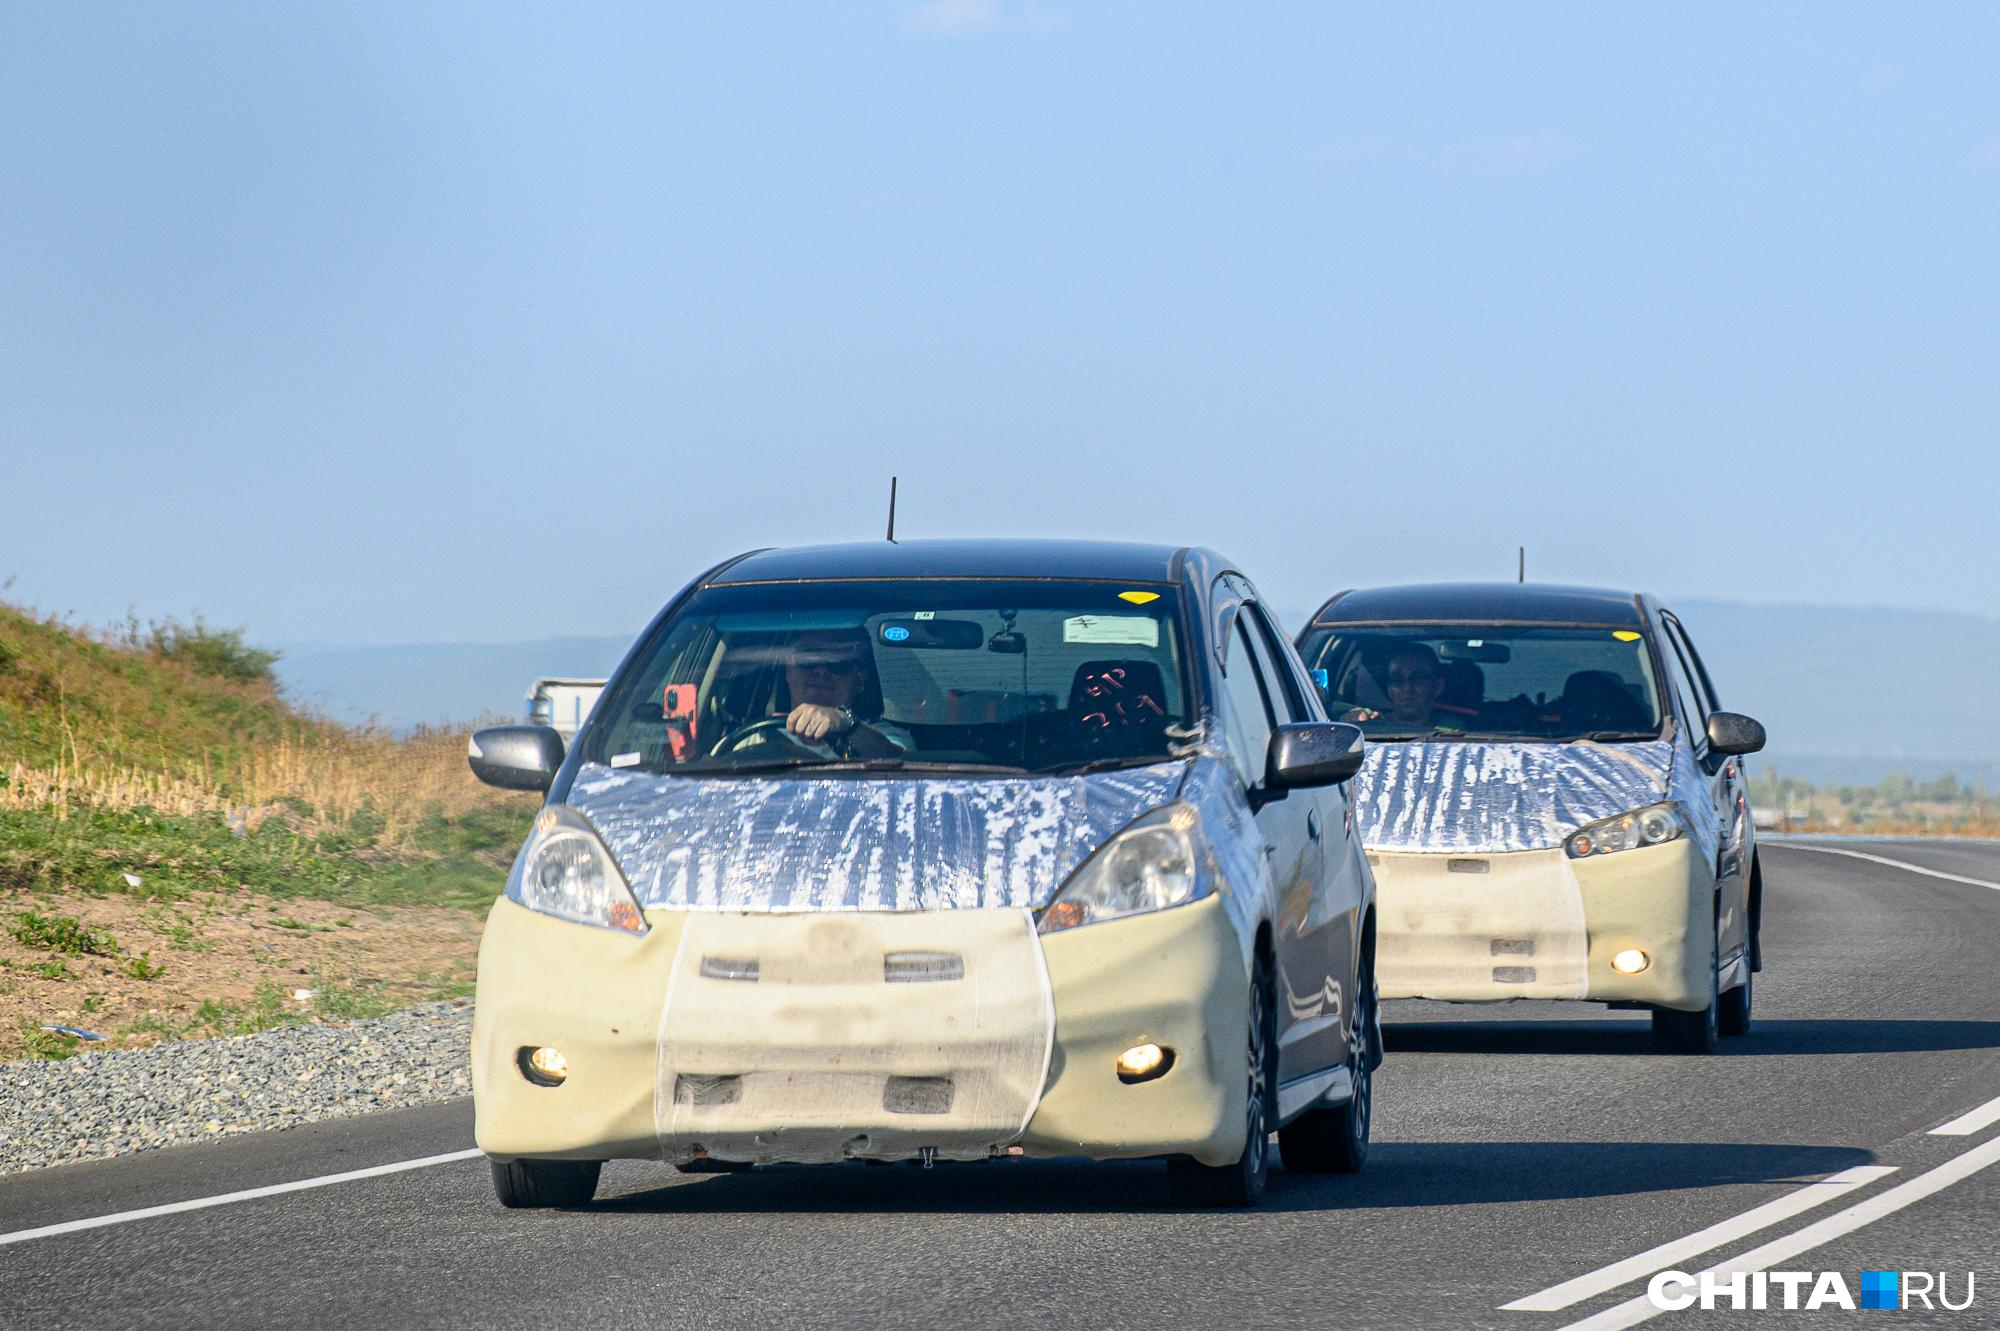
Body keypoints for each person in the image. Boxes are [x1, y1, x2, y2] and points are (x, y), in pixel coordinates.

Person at [773, 629, 912, 757]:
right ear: (788, 669)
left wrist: (848, 725)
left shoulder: (885, 734)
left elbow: (898, 762)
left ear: (860, 678)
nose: (821, 671)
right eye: (808, 658)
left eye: (838, 663)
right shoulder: (758, 734)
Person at [1343, 644, 1471, 734]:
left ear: (1438, 686)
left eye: (1418, 678)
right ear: (1389, 688)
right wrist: (1349, 719)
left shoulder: (1450, 728)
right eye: (1397, 680)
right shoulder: (1369, 723)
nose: (1407, 688)